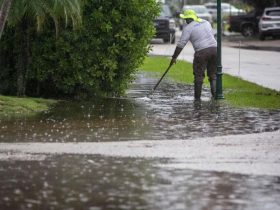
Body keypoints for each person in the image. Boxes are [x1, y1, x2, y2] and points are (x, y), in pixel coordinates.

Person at [170, 9, 217, 100]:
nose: (185, 21)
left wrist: (174, 57)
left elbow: (181, 44)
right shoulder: (206, 22)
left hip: (201, 52)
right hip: (215, 50)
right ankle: (215, 96)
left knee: (198, 75)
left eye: (186, 19)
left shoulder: (188, 28)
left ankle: (197, 99)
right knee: (213, 74)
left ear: (187, 19)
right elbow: (211, 35)